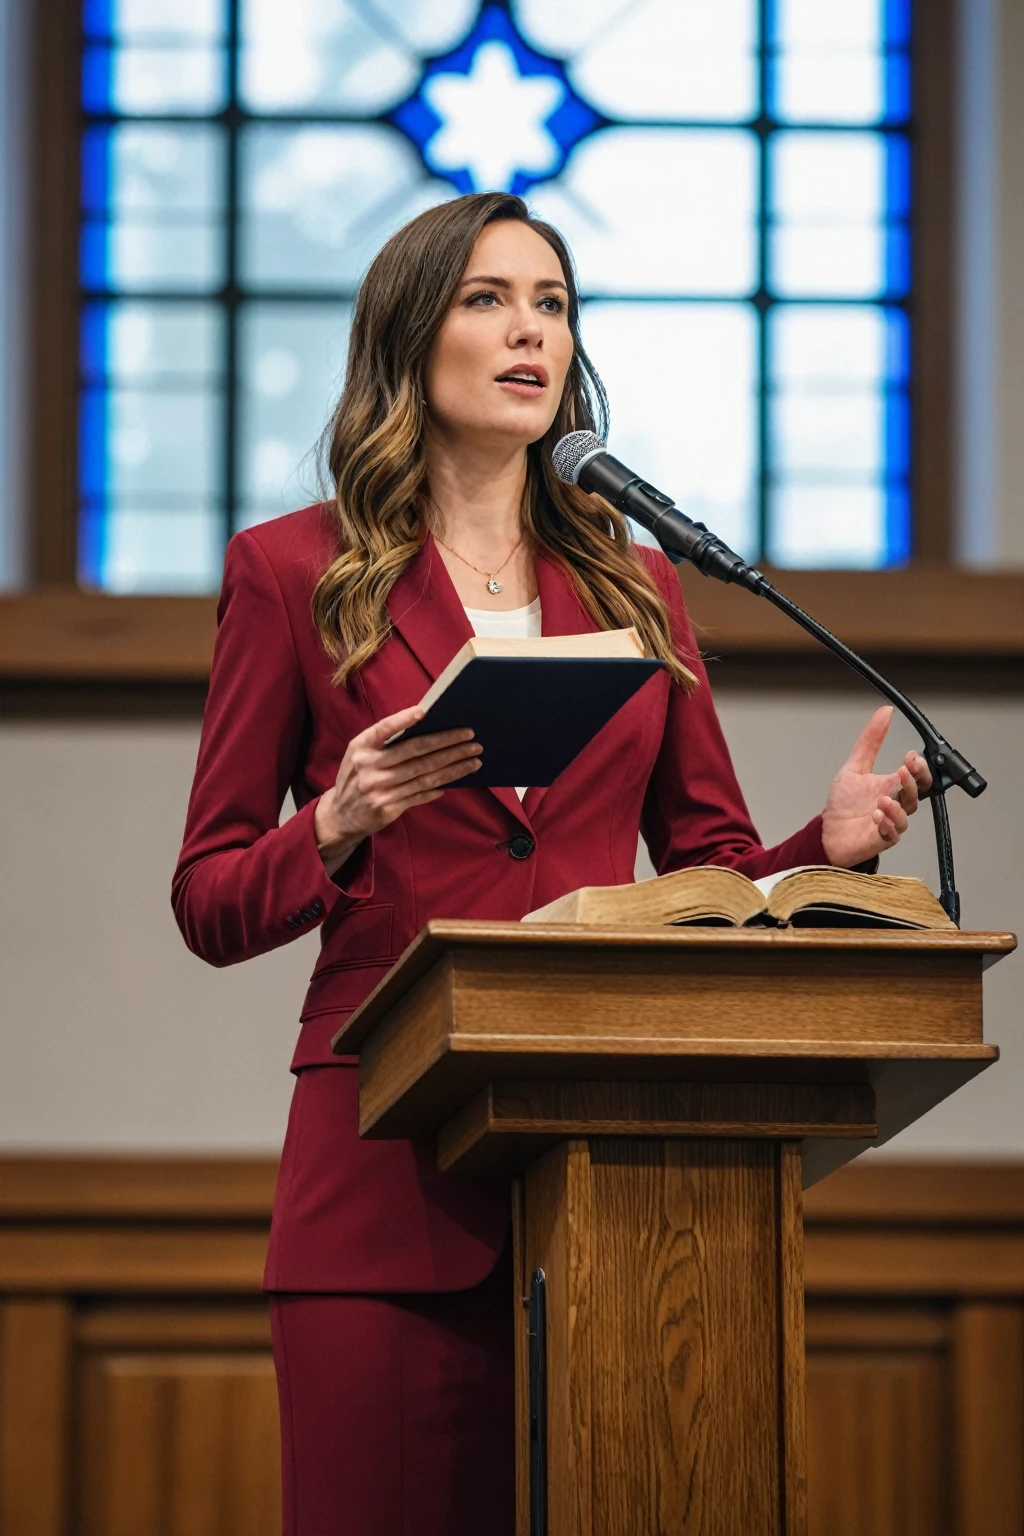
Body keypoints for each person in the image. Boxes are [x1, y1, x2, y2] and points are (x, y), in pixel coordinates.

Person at [172, 191, 932, 1536]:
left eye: (554, 304)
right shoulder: (292, 572)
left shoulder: (641, 586)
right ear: (412, 339)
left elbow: (703, 866)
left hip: (628, 1194)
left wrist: (832, 848)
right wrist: (337, 820)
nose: (531, 331)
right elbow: (211, 899)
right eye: (488, 299)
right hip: (382, 1186)